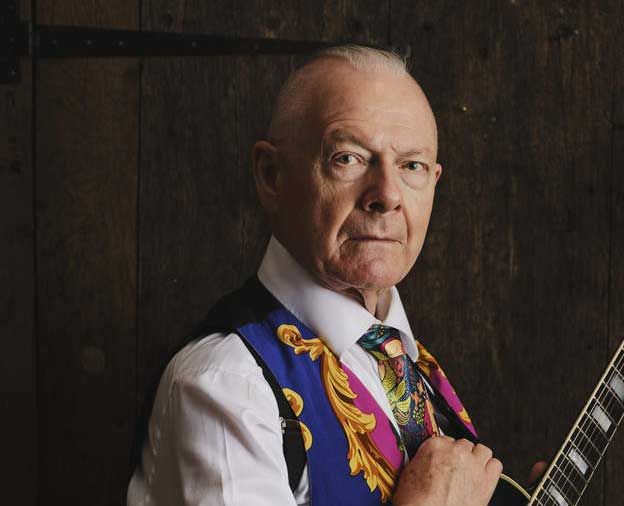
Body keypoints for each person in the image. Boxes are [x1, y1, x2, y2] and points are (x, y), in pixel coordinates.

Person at [127, 44, 511, 505]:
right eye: (348, 158)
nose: (386, 195)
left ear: (433, 183)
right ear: (272, 176)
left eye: (412, 166)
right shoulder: (227, 386)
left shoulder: (401, 362)